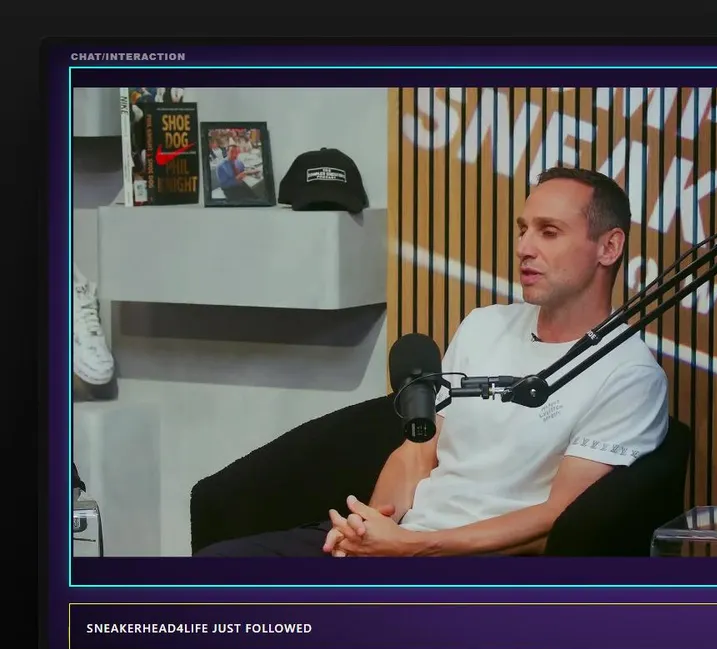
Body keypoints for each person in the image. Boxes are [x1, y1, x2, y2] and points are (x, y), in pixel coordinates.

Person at [197, 167, 670, 557]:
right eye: (523, 229)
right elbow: (418, 452)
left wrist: (414, 548)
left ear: (609, 247)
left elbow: (558, 521)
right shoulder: (485, 324)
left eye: (549, 232)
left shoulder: (628, 375)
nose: (525, 247)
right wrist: (369, 529)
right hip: (404, 538)